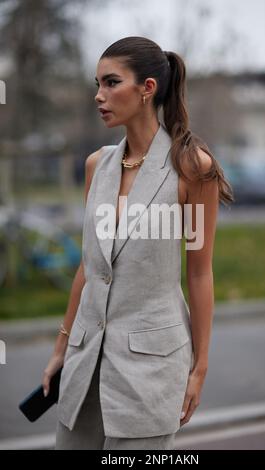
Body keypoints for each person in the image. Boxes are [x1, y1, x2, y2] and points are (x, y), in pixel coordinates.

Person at [42, 36, 234, 451]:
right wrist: (62, 347)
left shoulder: (192, 168)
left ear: (147, 89)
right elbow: (89, 269)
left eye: (111, 82)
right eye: (97, 83)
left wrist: (199, 368)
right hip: (83, 366)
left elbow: (200, 272)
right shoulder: (98, 165)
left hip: (151, 373)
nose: (99, 95)